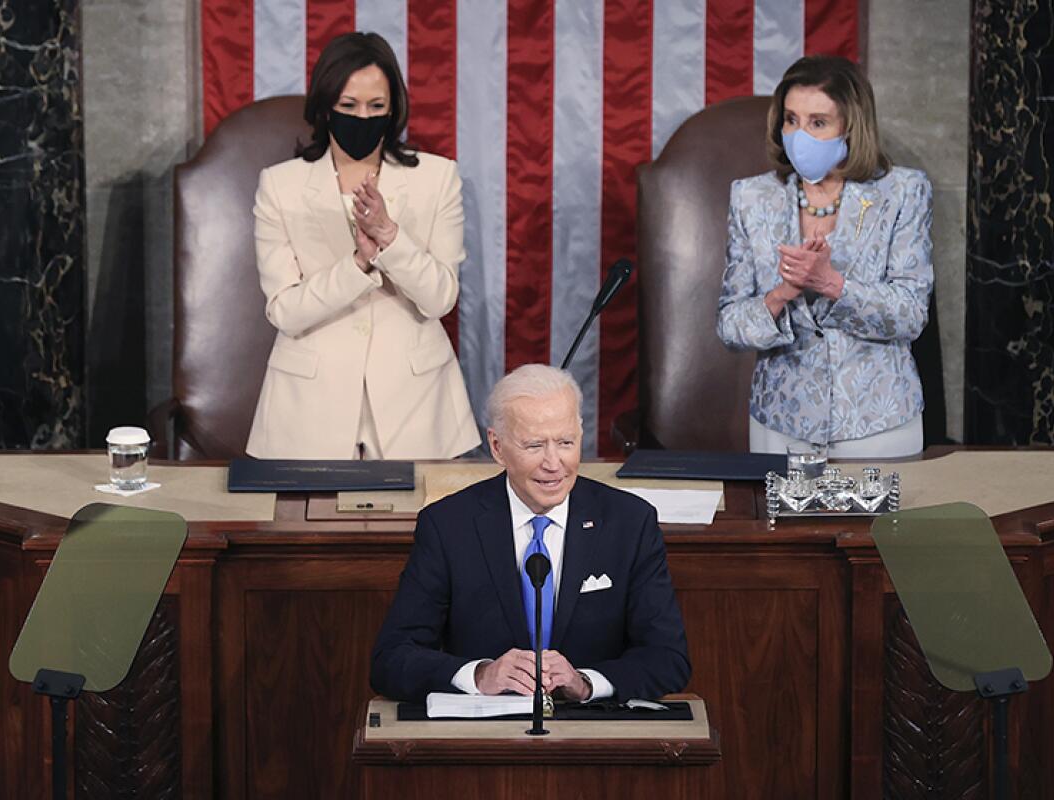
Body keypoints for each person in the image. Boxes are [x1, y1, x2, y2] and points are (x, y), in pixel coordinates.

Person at [370, 364, 690, 704]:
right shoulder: (448, 526)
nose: (554, 463)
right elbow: (391, 659)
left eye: (566, 442)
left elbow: (668, 658)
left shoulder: (630, 522)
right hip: (485, 740)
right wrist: (480, 675)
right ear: (497, 446)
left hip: (593, 735)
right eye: (535, 445)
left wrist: (585, 683)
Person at [245, 32, 480, 460]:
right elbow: (285, 310)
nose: (362, 117)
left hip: (417, 408)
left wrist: (390, 236)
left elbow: (439, 297)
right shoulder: (280, 186)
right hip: (309, 411)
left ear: (393, 110)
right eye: (349, 107)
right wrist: (358, 264)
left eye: (376, 107)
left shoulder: (437, 178)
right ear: (325, 108)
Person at [717, 55, 934, 459]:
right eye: (791, 120)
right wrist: (781, 294)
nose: (800, 135)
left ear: (851, 126)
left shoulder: (902, 193)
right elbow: (730, 324)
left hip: (877, 422)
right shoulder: (751, 198)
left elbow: (910, 315)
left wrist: (832, 285)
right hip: (780, 423)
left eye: (818, 123)